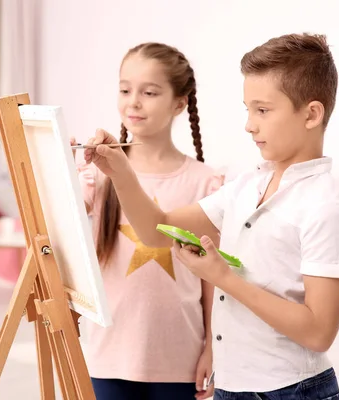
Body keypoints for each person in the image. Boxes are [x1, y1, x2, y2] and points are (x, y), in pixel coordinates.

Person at [83, 33, 339, 400]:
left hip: (291, 390)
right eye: (248, 109)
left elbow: (318, 331)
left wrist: (222, 277)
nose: (249, 124)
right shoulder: (246, 187)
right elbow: (155, 230)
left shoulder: (325, 207)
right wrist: (119, 170)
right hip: (234, 386)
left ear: (311, 114)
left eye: (262, 110)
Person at [72, 42, 223, 400]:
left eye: (149, 92)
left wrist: (212, 348)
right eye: (125, 90)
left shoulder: (207, 182)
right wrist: (59, 170)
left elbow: (212, 281)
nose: (133, 102)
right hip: (108, 355)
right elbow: (57, 232)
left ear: (179, 103)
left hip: (179, 358)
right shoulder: (97, 174)